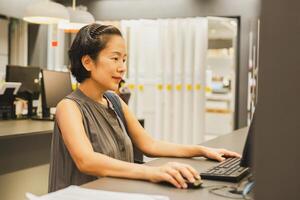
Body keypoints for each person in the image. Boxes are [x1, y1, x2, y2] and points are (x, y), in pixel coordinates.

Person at [48, 23, 240, 192]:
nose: (122, 67)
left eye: (124, 59)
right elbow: (87, 161)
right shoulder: (69, 107)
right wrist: (151, 172)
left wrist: (201, 150)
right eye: (115, 59)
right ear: (88, 62)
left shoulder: (114, 100)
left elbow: (150, 145)